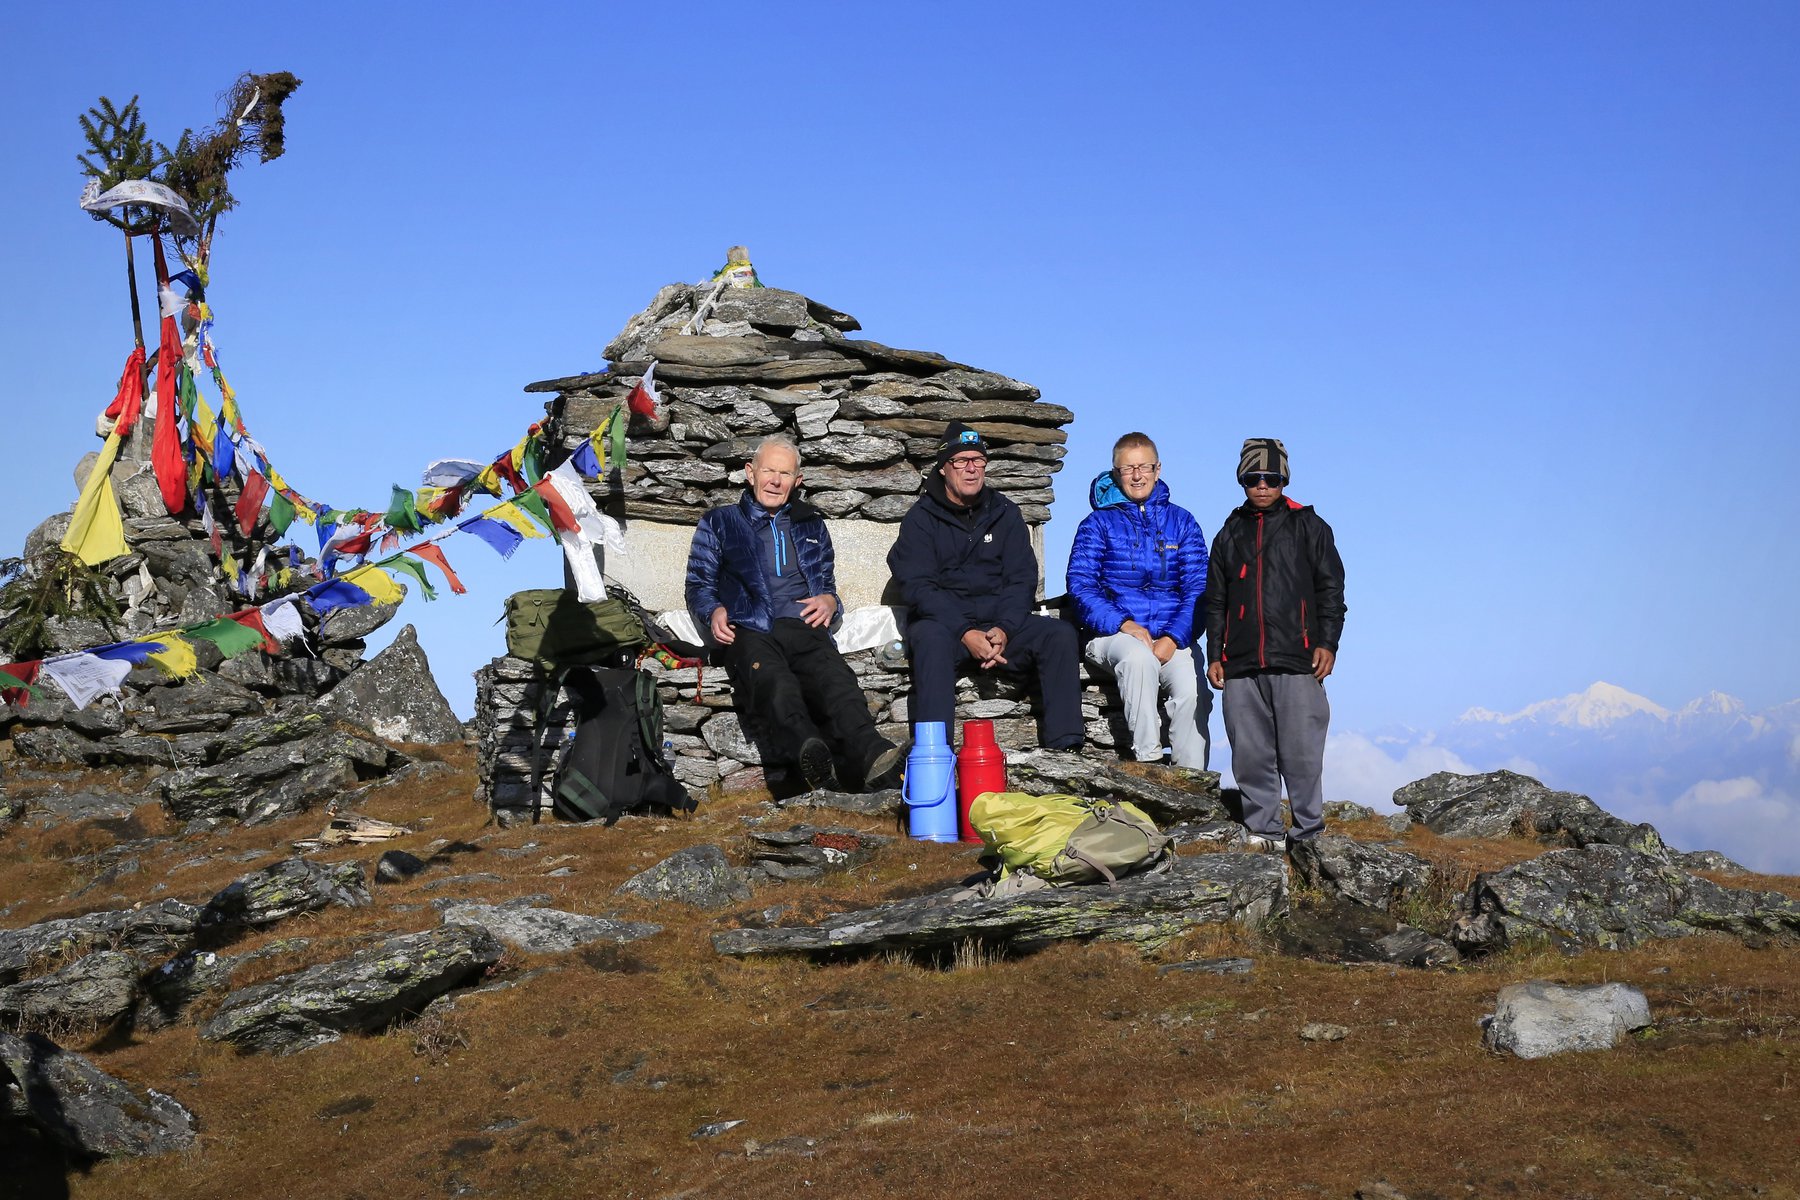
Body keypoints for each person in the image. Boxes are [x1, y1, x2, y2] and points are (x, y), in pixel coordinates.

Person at [685, 435, 901, 792]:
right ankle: (810, 755)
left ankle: (874, 756)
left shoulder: (810, 523)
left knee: (837, 681)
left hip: (803, 625)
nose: (775, 480)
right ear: (749, 473)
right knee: (775, 683)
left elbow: (826, 584)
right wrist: (714, 611)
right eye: (768, 470)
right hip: (751, 626)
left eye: (784, 474)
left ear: (797, 482)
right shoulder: (719, 522)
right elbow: (698, 584)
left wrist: (831, 602)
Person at [887, 421, 1083, 749]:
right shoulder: (920, 519)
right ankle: (934, 755)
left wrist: (1004, 629)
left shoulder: (1004, 513)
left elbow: (1022, 578)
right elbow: (918, 587)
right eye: (961, 461)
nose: (971, 469)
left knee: (1059, 635)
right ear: (943, 469)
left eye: (978, 460)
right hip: (947, 628)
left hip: (1000, 625)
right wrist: (965, 631)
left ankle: (1066, 747)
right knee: (929, 641)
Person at [1204, 438, 1346, 853]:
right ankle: (1263, 833)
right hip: (1241, 662)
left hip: (1299, 658)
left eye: (1271, 477)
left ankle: (1308, 835)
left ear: (1283, 478)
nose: (1262, 485)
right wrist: (1216, 653)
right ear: (1242, 480)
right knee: (1251, 755)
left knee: (1302, 755)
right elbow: (1216, 599)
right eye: (1253, 478)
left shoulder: (1309, 526)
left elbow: (1331, 590)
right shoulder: (1229, 532)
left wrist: (1328, 643)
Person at [1066, 432, 1211, 768]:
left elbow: (1199, 588)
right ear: (1116, 473)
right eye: (1127, 468)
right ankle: (1149, 765)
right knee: (1137, 660)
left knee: (1192, 690)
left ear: (1157, 469)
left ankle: (1191, 779)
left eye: (1143, 467)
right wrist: (1123, 624)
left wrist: (1174, 638)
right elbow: (1080, 586)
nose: (1136, 475)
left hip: (1172, 634)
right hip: (1111, 634)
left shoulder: (1183, 522)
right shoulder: (1097, 524)